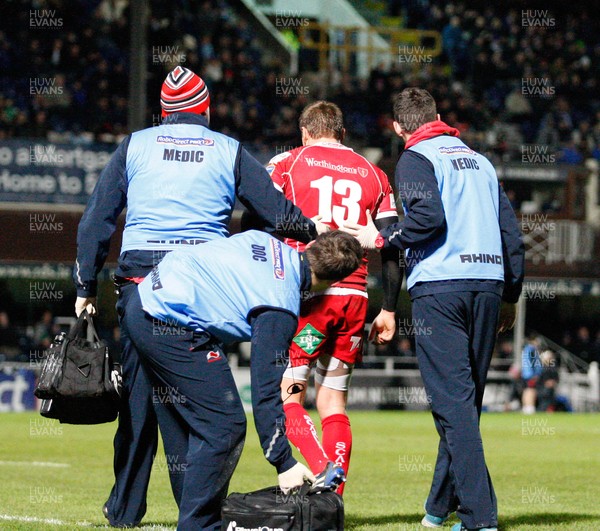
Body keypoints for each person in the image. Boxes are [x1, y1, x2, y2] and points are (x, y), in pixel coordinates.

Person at [73, 66, 327, 527]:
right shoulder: (227, 149)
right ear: (205, 110)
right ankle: (197, 509)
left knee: (137, 405)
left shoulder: (135, 144)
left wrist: (85, 286)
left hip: (136, 288)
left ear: (165, 113)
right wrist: (316, 232)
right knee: (190, 408)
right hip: (196, 293)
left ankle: (125, 510)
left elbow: (96, 222)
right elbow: (275, 213)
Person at [342, 88, 525, 531]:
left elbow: (427, 220)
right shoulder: (480, 161)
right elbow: (512, 236)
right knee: (463, 404)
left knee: (452, 406)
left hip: (441, 290)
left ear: (400, 128)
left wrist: (383, 240)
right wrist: (511, 295)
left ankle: (480, 518)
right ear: (439, 116)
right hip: (487, 285)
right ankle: (438, 508)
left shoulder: (415, 158)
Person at [122, 229, 363, 530]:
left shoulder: (266, 241)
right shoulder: (280, 307)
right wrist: (283, 462)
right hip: (169, 324)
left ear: (311, 246)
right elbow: (265, 392)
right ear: (334, 281)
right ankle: (199, 526)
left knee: (183, 426)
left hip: (142, 301)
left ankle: (196, 520)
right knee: (226, 425)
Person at [263, 101, 400, 494]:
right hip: (355, 298)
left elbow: (260, 212)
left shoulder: (288, 162)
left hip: (312, 294)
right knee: (333, 401)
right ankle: (334, 499)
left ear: (305, 132)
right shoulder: (374, 175)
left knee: (288, 394)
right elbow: (392, 245)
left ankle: (324, 470)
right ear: (342, 134)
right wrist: (388, 307)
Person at [521, 334, 542, 414]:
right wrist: (534, 374)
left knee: (527, 390)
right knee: (531, 390)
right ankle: (530, 407)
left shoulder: (526, 349)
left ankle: (526, 407)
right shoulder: (531, 350)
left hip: (526, 374)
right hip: (530, 374)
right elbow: (531, 363)